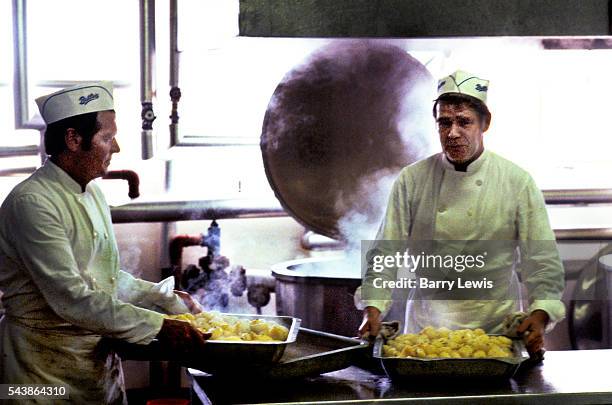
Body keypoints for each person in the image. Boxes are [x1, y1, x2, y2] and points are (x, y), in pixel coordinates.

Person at [0, 82, 209, 404]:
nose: (116, 148)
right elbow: (72, 297)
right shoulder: (32, 203)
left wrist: (160, 297)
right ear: (73, 139)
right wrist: (159, 326)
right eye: (107, 138)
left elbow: (101, 278)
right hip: (38, 370)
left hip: (93, 366)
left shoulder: (92, 191)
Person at [357, 70, 565, 355]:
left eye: (464, 122)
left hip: (495, 329)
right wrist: (373, 308)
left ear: (485, 123)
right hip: (426, 327)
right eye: (444, 123)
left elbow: (541, 260)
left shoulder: (517, 181)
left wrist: (540, 314)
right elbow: (385, 252)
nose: (452, 133)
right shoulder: (412, 179)